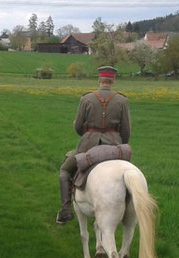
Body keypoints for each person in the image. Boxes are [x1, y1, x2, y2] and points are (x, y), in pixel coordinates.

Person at [56, 66, 131, 225]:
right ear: (113, 80)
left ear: (99, 79)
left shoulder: (87, 98)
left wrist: (86, 132)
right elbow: (126, 131)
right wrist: (119, 145)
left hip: (88, 145)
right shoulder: (122, 100)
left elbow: (78, 127)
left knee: (64, 170)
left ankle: (65, 209)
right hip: (113, 146)